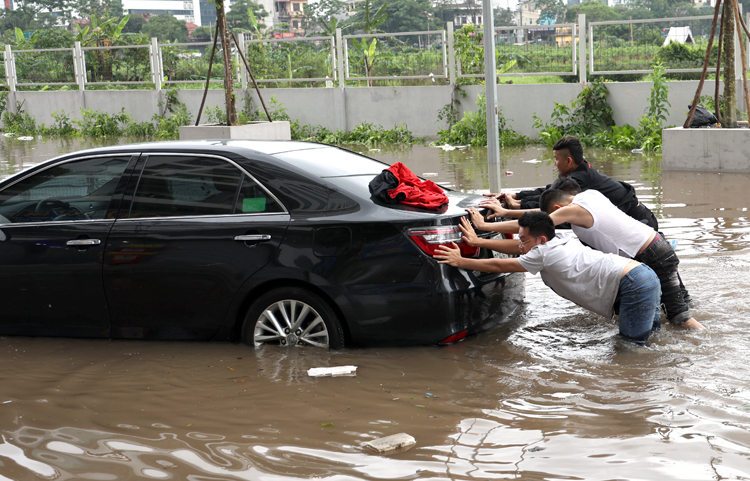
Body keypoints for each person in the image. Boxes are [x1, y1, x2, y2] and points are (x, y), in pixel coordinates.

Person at [464, 183, 704, 330]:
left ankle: (707, 345)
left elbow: (538, 224)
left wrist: (485, 226)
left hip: (648, 255)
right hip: (658, 245)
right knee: (677, 306)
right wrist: (507, 211)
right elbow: (541, 216)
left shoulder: (572, 210)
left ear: (559, 209)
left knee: (679, 317)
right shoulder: (590, 195)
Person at [434, 211, 663, 345]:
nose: (520, 244)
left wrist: (461, 261)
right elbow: (516, 246)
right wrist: (479, 242)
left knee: (630, 350)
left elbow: (501, 264)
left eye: (524, 239)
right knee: (652, 340)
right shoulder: (558, 238)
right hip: (643, 274)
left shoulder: (543, 253)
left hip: (633, 285)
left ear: (540, 240)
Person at [482, 136, 658, 230]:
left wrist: (514, 208)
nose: (554, 163)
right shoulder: (580, 170)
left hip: (640, 221)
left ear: (568, 161)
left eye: (556, 159)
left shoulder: (579, 180)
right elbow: (549, 191)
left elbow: (551, 203)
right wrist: (515, 196)